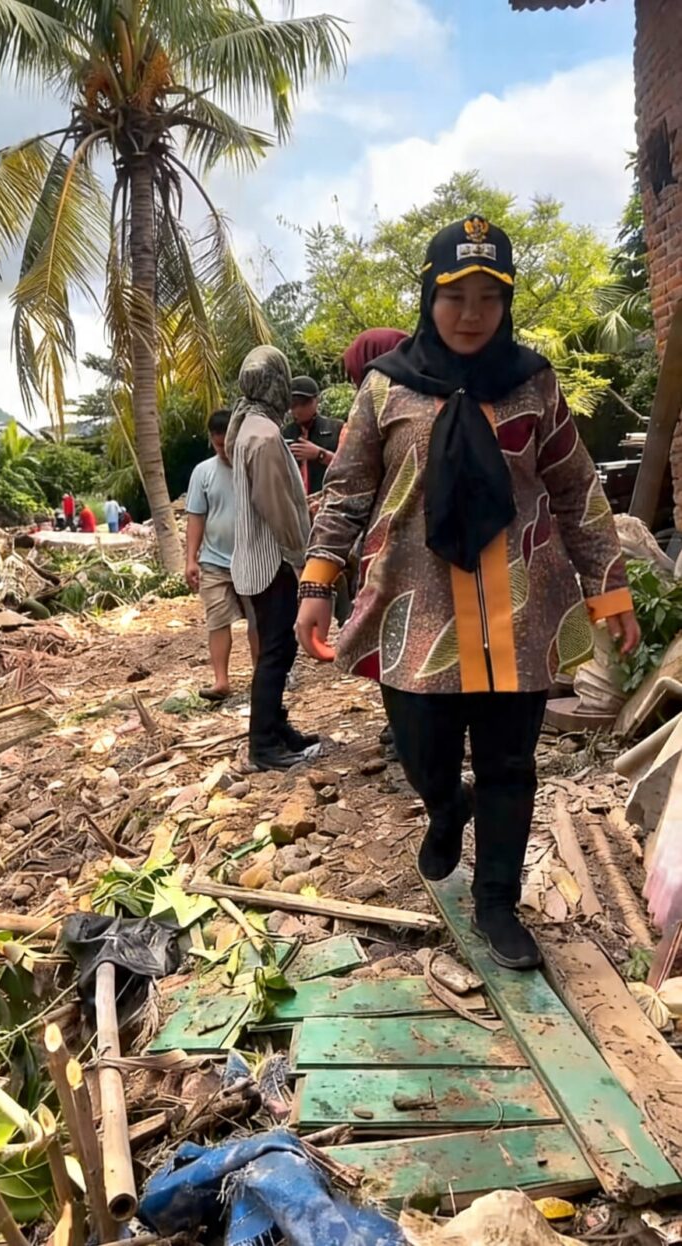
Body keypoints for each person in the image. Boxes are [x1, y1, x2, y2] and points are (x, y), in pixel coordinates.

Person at [296, 214, 640, 971]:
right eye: (455, 295)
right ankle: (446, 807)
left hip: (521, 613)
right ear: (429, 295)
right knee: (422, 748)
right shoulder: (386, 389)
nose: (472, 313)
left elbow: (577, 488)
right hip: (418, 613)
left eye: (489, 296)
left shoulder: (533, 382)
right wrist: (319, 580)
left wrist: (609, 591)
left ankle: (496, 903)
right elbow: (348, 490)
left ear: (506, 301)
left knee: (512, 766)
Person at [226, 346, 317, 771]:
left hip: (255, 560)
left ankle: (277, 727)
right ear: (275, 383)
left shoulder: (246, 426)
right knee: (276, 654)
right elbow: (277, 506)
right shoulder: (262, 435)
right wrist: (301, 558)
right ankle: (263, 743)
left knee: (275, 652)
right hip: (272, 562)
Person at [342, 328, 411, 755]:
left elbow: (350, 488)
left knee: (392, 642)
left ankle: (406, 733)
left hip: (387, 552)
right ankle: (408, 732)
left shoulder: (378, 402)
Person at [185, 409, 258, 702]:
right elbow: (196, 517)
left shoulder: (254, 467)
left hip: (253, 559)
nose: (224, 451)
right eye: (218, 445)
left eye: (228, 443)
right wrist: (191, 559)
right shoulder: (203, 473)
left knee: (257, 620)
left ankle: (260, 676)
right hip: (214, 561)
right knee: (217, 620)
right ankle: (221, 681)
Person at [283, 377, 343, 496]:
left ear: (316, 400)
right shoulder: (286, 433)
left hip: (327, 501)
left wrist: (320, 455)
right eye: (293, 404)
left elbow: (349, 468)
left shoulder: (337, 428)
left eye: (303, 403)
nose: (298, 410)